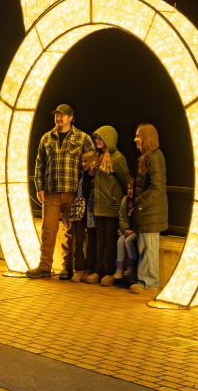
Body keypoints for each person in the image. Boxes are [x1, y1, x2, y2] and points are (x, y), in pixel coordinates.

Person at [29, 104, 95, 279]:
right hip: (51, 192)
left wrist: (87, 191)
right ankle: (44, 266)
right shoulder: (46, 138)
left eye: (62, 116)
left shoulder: (82, 138)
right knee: (48, 230)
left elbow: (92, 164)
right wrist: (39, 187)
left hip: (73, 192)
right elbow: (40, 164)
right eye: (57, 116)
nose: (59, 118)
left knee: (70, 231)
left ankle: (68, 267)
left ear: (71, 118)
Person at [87, 126, 132, 286]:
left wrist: (124, 203)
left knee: (109, 241)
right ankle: (98, 270)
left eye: (101, 138)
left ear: (109, 140)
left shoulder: (118, 159)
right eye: (96, 138)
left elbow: (127, 181)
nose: (98, 141)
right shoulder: (99, 157)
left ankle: (108, 272)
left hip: (112, 208)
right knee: (100, 240)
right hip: (100, 207)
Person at [128, 124, 168, 296]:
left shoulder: (153, 157)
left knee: (149, 247)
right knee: (144, 246)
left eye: (139, 136)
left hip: (150, 213)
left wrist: (141, 204)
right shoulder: (148, 156)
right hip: (147, 212)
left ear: (147, 137)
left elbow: (156, 187)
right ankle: (144, 281)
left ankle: (150, 284)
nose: (135, 139)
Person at [70, 151, 98, 283]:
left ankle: (89, 269)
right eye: (82, 162)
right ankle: (79, 269)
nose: (83, 164)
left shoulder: (98, 178)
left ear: (92, 162)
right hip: (80, 213)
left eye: (86, 161)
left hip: (92, 213)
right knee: (79, 241)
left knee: (91, 243)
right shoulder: (81, 176)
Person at [116, 182, 138, 280]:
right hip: (126, 230)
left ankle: (132, 266)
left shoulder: (138, 201)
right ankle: (119, 269)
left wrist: (133, 230)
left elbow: (139, 218)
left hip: (136, 231)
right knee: (120, 241)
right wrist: (125, 229)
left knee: (128, 241)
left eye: (132, 188)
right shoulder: (125, 200)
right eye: (128, 189)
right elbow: (121, 215)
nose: (129, 191)